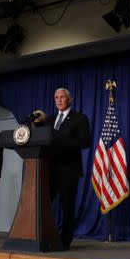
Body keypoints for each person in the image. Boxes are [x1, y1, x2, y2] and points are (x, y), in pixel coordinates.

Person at [49, 88, 91, 250]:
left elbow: (85, 142)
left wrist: (61, 141)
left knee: (67, 206)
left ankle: (65, 241)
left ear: (70, 99)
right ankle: (47, 235)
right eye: (56, 97)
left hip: (69, 170)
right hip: (49, 170)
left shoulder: (79, 119)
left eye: (62, 97)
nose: (59, 100)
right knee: (44, 204)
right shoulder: (50, 119)